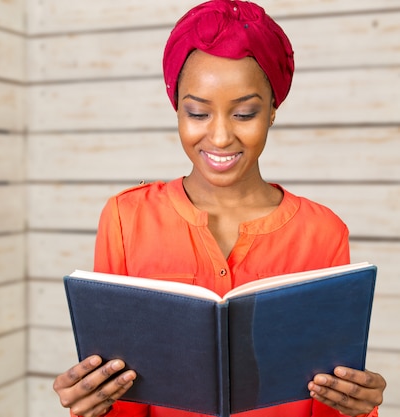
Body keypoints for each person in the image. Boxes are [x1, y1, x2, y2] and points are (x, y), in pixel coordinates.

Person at [52, 0, 387, 416]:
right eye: (197, 112)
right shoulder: (126, 219)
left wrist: (357, 406)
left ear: (273, 112)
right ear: (176, 108)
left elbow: (327, 399)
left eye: (245, 113)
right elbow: (121, 395)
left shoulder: (324, 232)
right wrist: (92, 403)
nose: (222, 135)